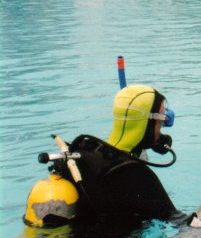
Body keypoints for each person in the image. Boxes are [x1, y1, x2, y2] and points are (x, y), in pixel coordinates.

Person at [25, 85, 179, 228]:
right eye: (160, 122)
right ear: (148, 124)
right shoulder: (135, 175)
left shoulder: (80, 156)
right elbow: (178, 222)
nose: (161, 129)